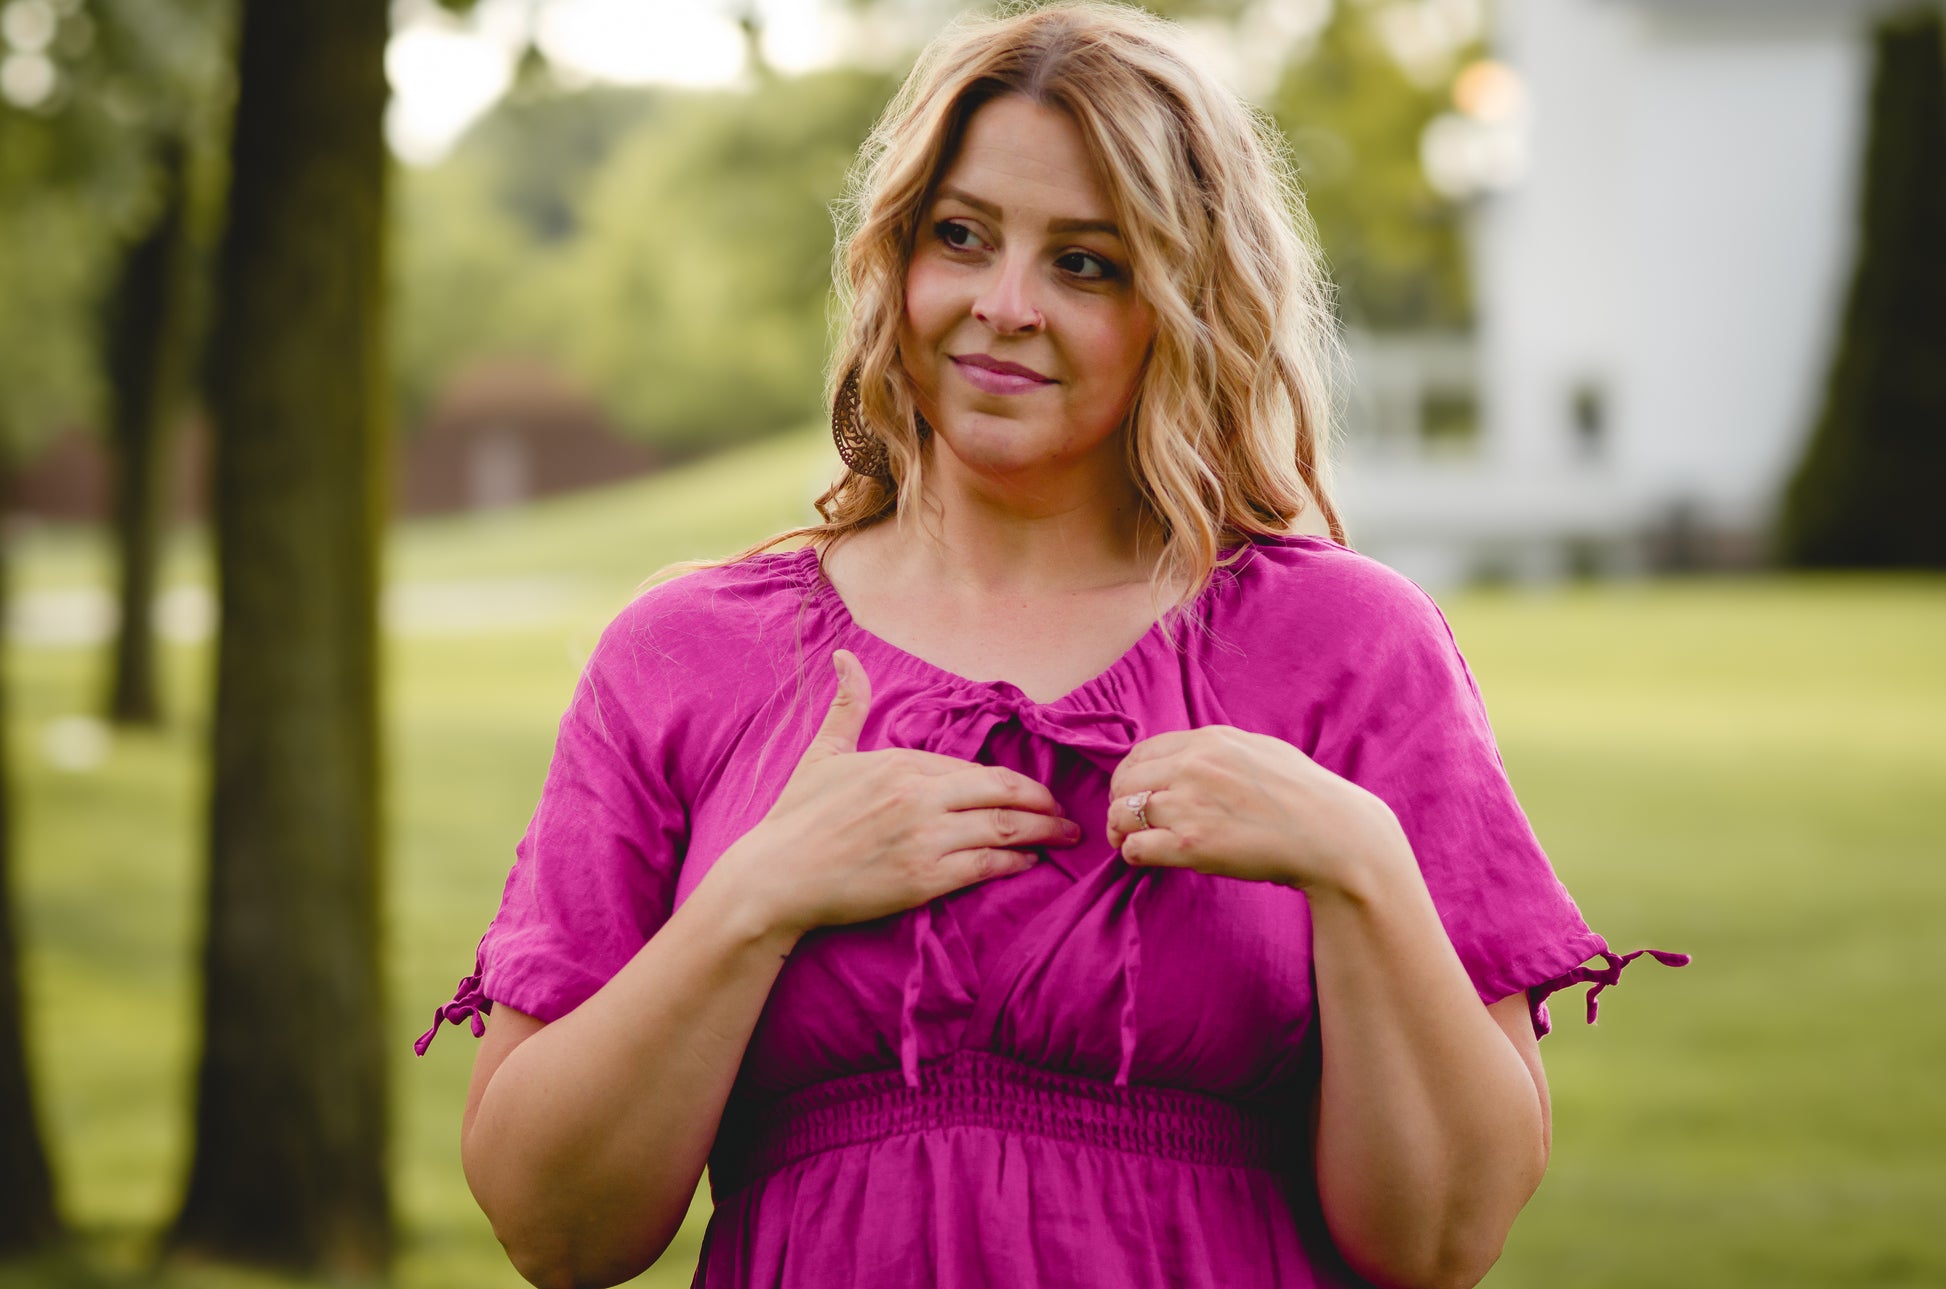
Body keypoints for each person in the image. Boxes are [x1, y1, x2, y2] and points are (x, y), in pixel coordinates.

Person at [415, 4, 1686, 1286]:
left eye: (1085, 262)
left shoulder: (1348, 647)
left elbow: (1440, 1239)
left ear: (1185, 302)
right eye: (959, 237)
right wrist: (754, 898)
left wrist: (1358, 865)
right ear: (895, 260)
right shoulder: (687, 654)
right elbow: (552, 1225)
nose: (1002, 305)